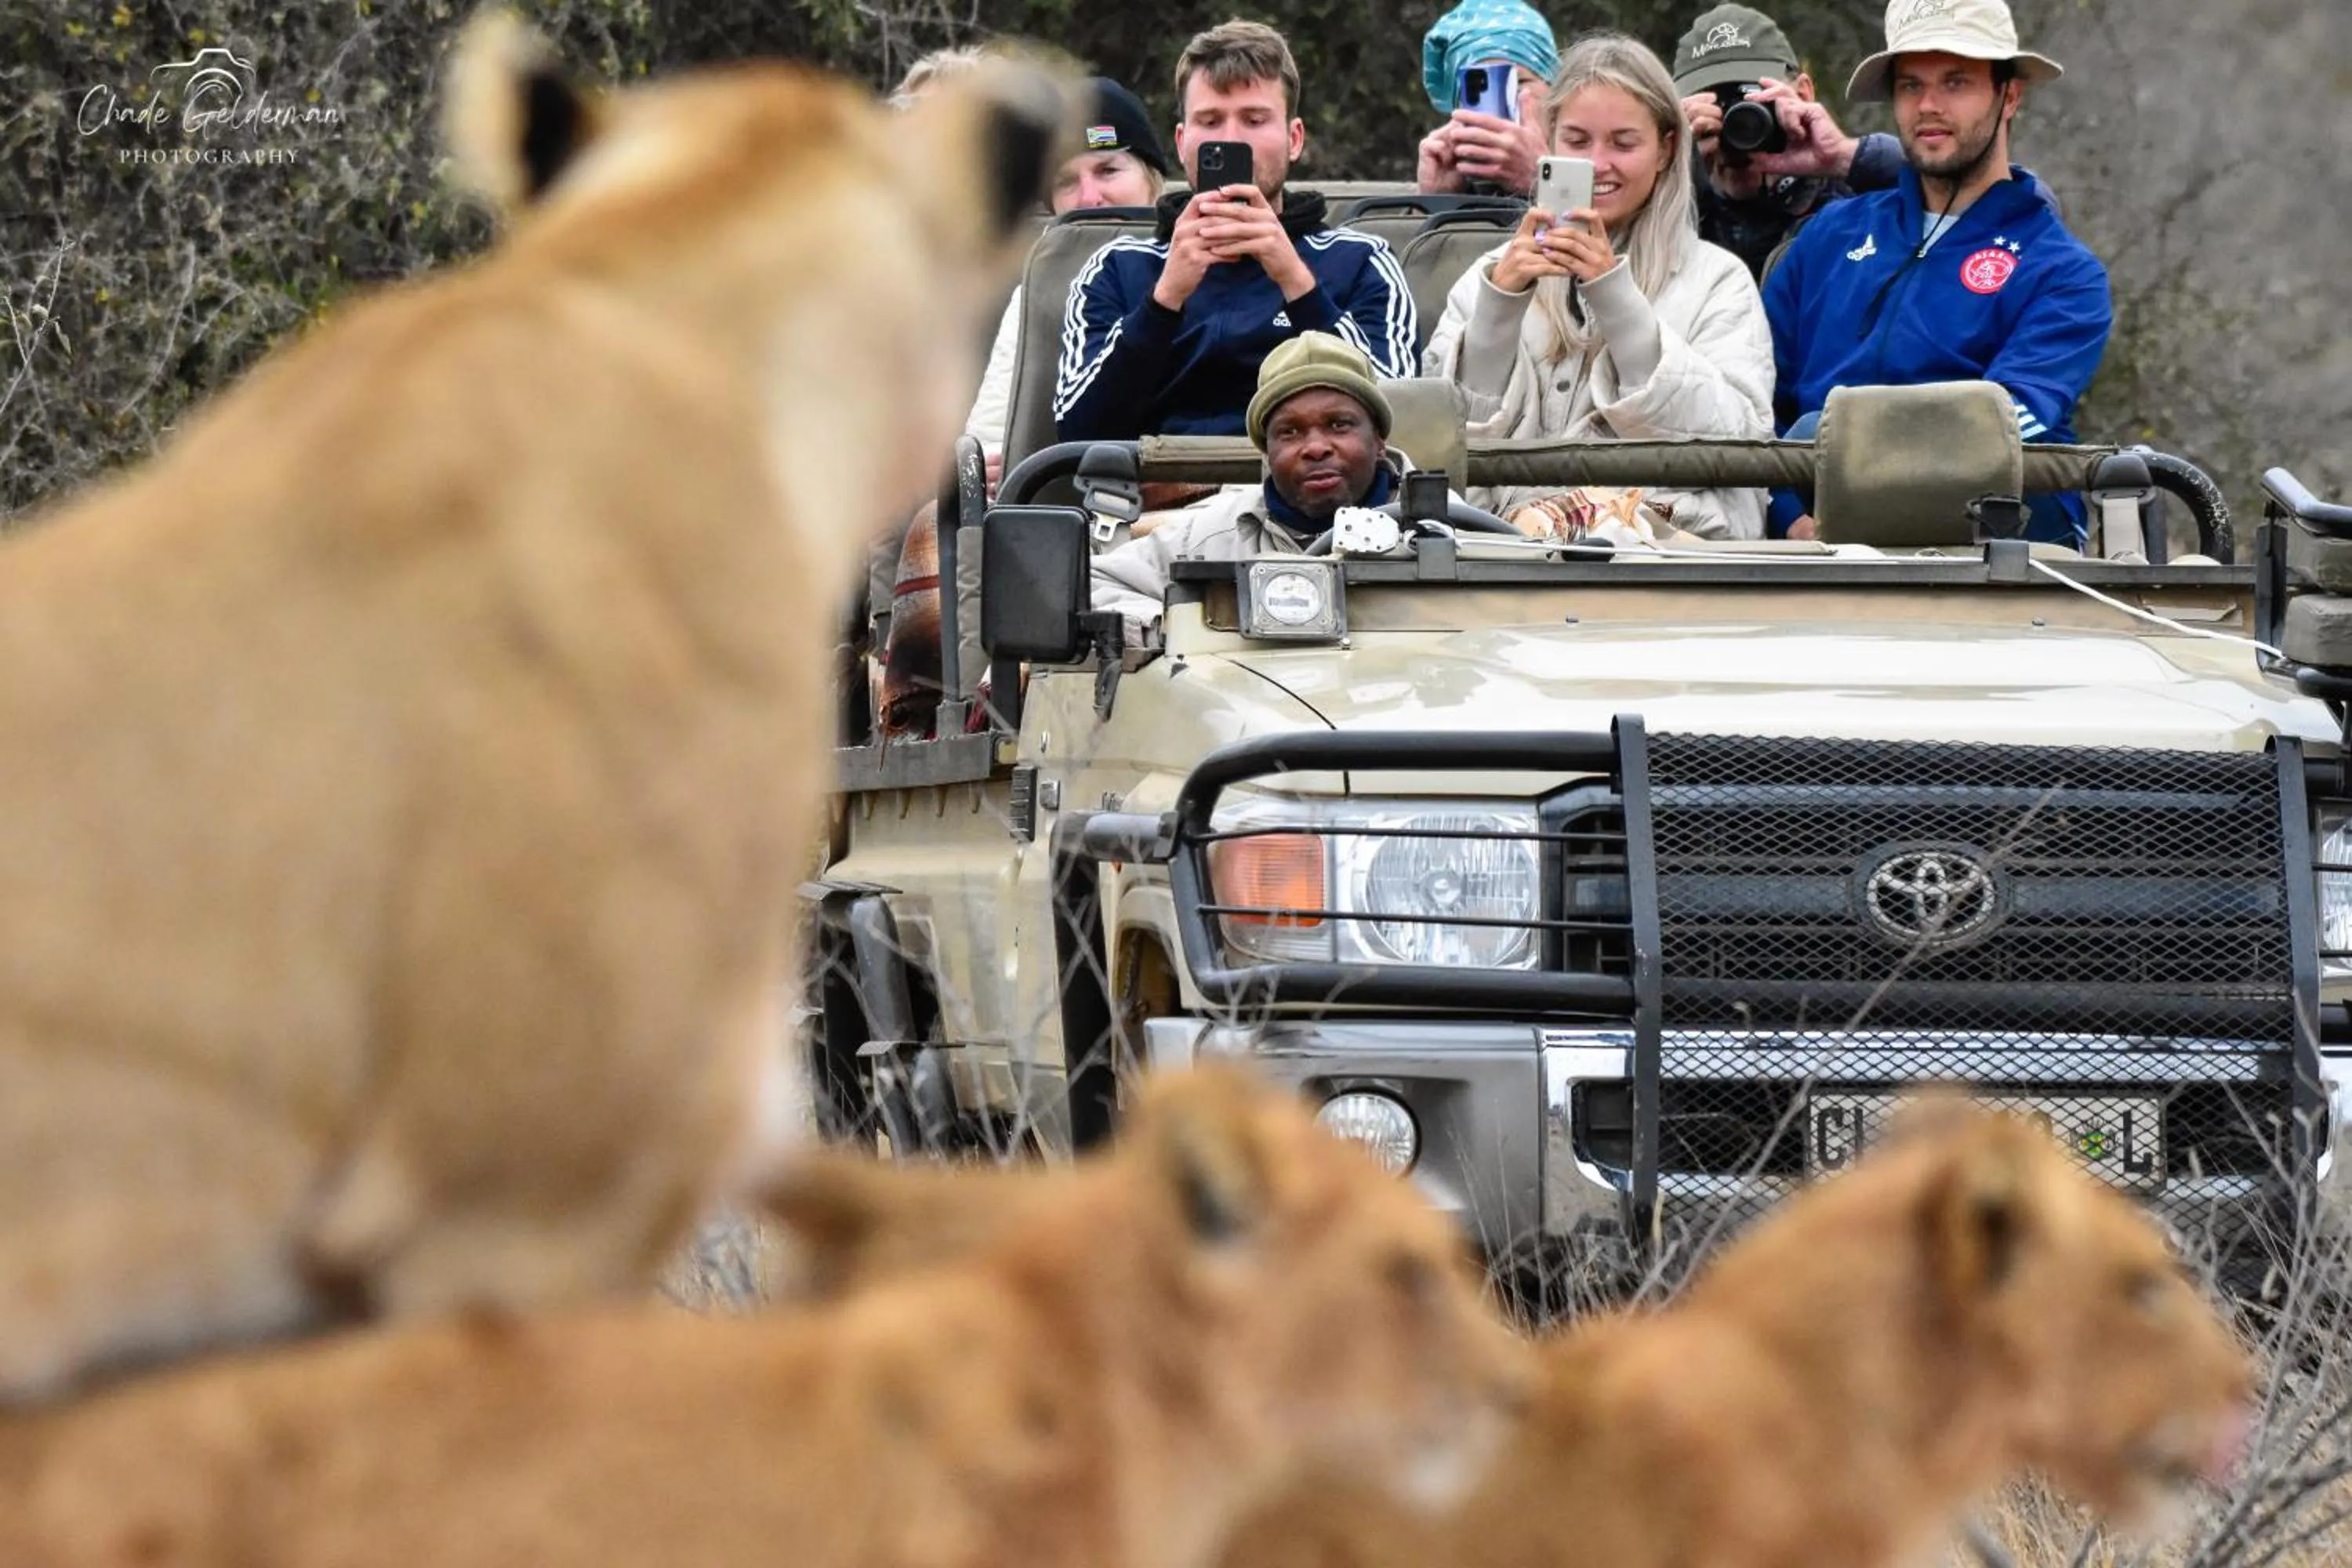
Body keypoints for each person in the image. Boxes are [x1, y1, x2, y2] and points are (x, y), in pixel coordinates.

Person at [1762, 0, 2110, 546]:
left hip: (1996, 555)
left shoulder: (2063, 273)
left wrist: (1836, 454)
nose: (1928, 106)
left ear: (2009, 95)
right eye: (1910, 86)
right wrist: (1788, 518)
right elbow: (1754, 404)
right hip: (1810, 545)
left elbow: (2003, 430)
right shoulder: (1828, 237)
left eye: (1956, 83)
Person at [1424, 33, 1775, 540]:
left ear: (1665, 149)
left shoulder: (1718, 279)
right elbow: (1442, 438)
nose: (1598, 163)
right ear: (1549, 142)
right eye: (1577, 140)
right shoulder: (1492, 274)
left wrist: (1615, 296)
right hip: (1503, 554)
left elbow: (1739, 445)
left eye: (1623, 143)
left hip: (1668, 553)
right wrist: (1499, 311)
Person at [1053, 20, 1417, 443]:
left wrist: (1295, 281)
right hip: (1156, 499)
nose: (1231, 139)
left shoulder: (1361, 261)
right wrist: (1164, 300)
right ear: (1182, 143)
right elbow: (1079, 434)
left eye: (1254, 119)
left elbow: (1402, 419)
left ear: (1293, 139)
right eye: (1210, 122)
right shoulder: (1118, 267)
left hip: (1312, 499)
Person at [1091, 333, 1397, 630]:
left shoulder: (1439, 532)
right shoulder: (1213, 536)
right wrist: (1179, 631)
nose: (1316, 448)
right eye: (1289, 432)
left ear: (1378, 440)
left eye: (1339, 425)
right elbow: (1097, 584)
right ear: (1267, 451)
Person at [964, 77, 1171, 472]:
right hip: (1057, 501)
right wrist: (985, 466)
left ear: (1151, 179)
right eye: (1067, 181)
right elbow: (991, 433)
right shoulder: (1038, 286)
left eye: (1108, 170)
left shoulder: (1209, 258)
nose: (1090, 198)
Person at [1671, 4, 1905, 281]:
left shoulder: (1861, 205)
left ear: (1803, 95)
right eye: (1714, 107)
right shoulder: (1663, 225)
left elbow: (1955, 190)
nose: (1734, 125)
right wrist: (1668, 178)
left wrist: (1844, 157)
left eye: (1749, 103)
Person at [1415, 0, 1559, 199]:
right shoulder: (1451, 173)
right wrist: (1435, 200)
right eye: (1481, 92)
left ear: (1553, 90)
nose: (1502, 105)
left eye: (1519, 83)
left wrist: (1543, 177)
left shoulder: (1595, 163)